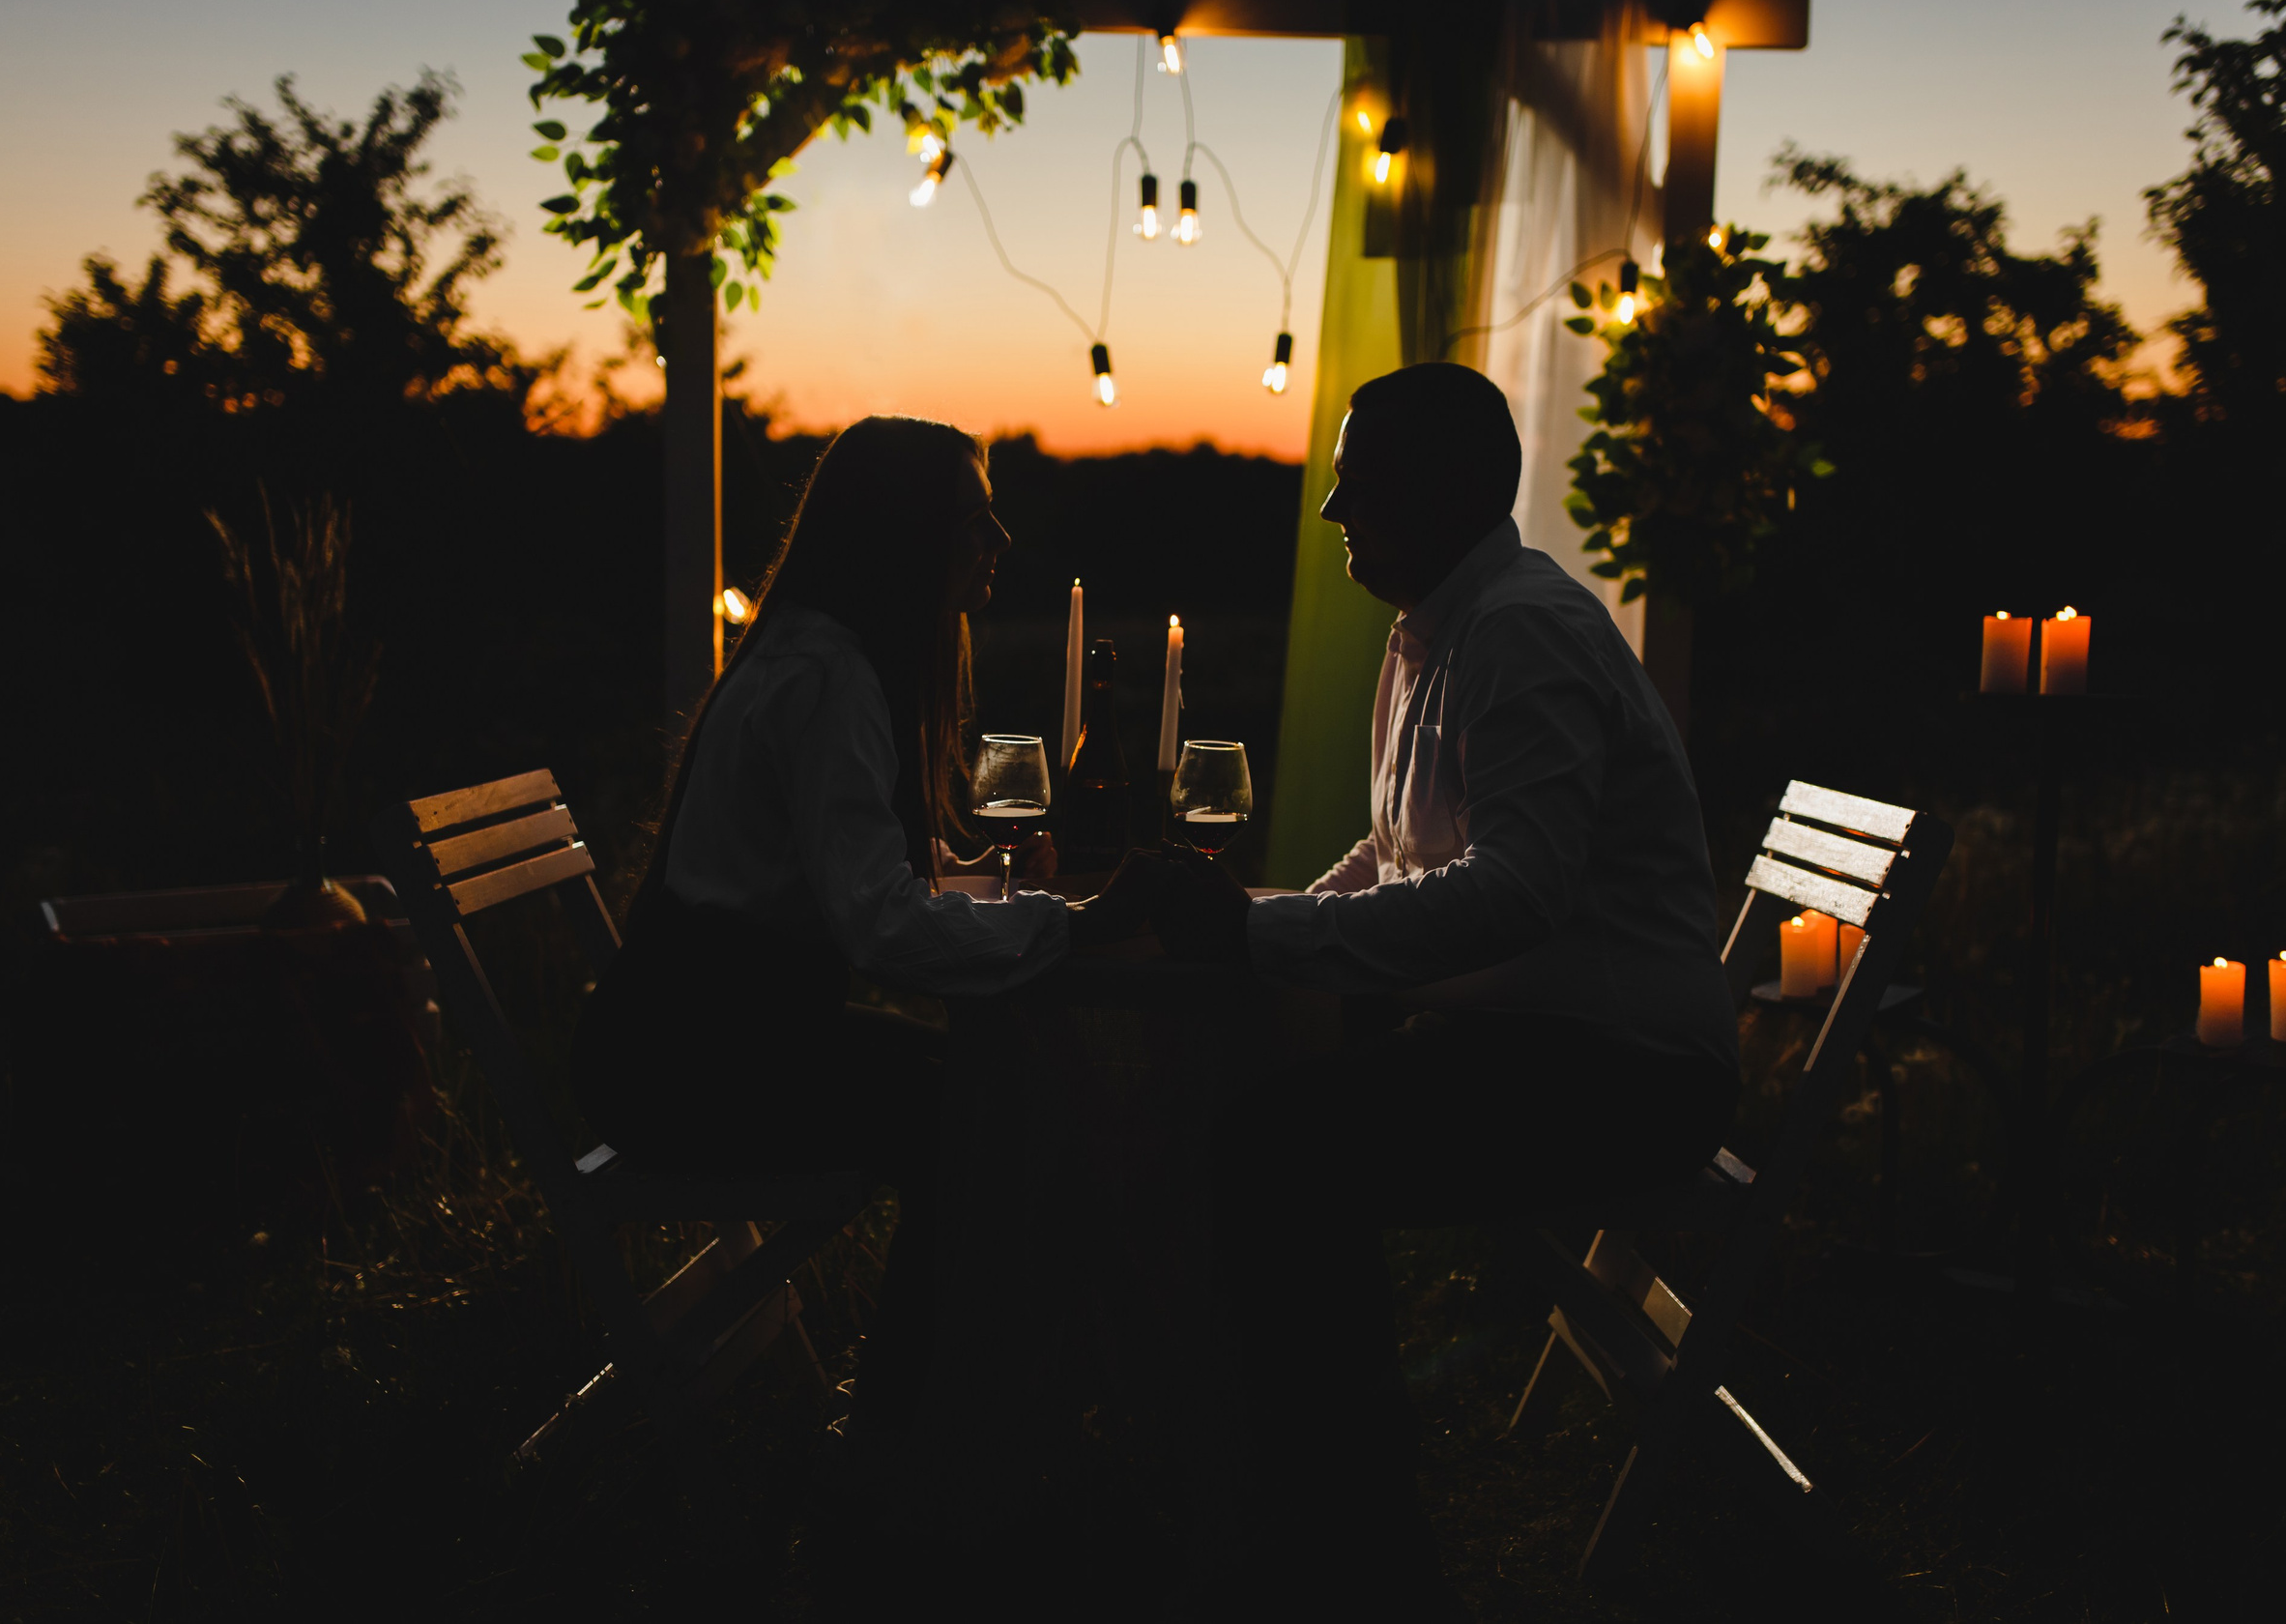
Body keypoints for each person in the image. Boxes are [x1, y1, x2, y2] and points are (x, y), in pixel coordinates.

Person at [1153, 362, 1741, 1610]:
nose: (1330, 511)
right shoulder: (1432, 627)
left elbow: (1517, 890)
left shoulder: (1523, 629)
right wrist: (1265, 918)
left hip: (1624, 1067)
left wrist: (1258, 938)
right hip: (1534, 1038)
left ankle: (1350, 1552)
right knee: (1252, 1107)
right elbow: (1396, 854)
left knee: (1277, 1149)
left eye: (1355, 479)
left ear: (1450, 487)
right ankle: (1273, 1498)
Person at [573, 415, 1148, 1454]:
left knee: (985, 1091)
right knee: (982, 1105)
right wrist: (1070, 929)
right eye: (972, 519)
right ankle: (923, 1421)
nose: (998, 541)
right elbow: (880, 929)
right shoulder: (829, 676)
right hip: (691, 1075)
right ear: (904, 534)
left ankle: (951, 1401)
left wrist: (987, 890)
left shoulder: (811, 653)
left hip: (687, 1044)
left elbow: (859, 885)